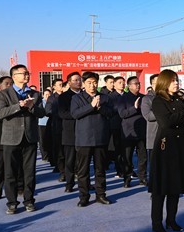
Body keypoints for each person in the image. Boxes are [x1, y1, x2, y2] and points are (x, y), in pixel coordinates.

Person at [150, 70, 184, 232]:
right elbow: (166, 122)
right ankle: (157, 223)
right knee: (161, 188)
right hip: (166, 147)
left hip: (181, 145)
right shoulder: (158, 101)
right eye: (172, 81)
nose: (176, 83)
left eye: (177, 80)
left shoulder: (179, 100)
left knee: (175, 186)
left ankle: (171, 220)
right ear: (164, 82)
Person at [0, 64, 45, 214]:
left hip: (30, 137)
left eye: (27, 73)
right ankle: (12, 202)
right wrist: (18, 105)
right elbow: (1, 113)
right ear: (14, 76)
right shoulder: (3, 94)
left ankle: (29, 201)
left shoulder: (35, 94)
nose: (27, 75)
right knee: (10, 172)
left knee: (29, 172)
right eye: (23, 73)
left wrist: (31, 106)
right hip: (11, 138)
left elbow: (41, 113)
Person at [71, 71, 114, 206]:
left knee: (100, 170)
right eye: (89, 83)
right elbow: (75, 114)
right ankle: (84, 196)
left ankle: (101, 195)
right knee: (83, 171)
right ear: (84, 84)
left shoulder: (105, 98)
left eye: (95, 82)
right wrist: (91, 106)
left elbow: (111, 113)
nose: (92, 85)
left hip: (100, 138)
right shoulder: (77, 98)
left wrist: (99, 107)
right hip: (84, 139)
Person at [118, 76, 148, 187]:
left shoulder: (144, 98)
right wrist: (134, 108)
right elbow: (122, 114)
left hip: (142, 131)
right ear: (129, 86)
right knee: (127, 157)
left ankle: (142, 177)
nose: (138, 85)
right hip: (128, 132)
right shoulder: (123, 98)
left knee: (143, 157)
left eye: (139, 83)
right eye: (135, 83)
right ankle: (127, 178)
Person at [58, 72, 82, 191]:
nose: (78, 82)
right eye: (75, 80)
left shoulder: (85, 95)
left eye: (80, 80)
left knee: (83, 161)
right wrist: (79, 114)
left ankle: (84, 183)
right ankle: (69, 183)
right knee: (70, 160)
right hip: (70, 132)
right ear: (69, 82)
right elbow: (62, 113)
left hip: (84, 132)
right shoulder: (63, 97)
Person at [141, 74, 159, 188]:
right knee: (155, 165)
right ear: (152, 84)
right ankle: (155, 187)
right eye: (157, 83)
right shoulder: (147, 99)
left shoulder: (168, 97)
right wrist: (164, 112)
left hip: (168, 135)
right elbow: (148, 115)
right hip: (154, 136)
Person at [38, 89, 52, 161]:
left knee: (49, 140)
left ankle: (50, 155)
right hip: (42, 123)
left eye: (49, 95)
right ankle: (44, 156)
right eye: (46, 94)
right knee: (42, 140)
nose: (47, 96)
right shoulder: (41, 102)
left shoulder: (52, 101)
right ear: (43, 95)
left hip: (50, 123)